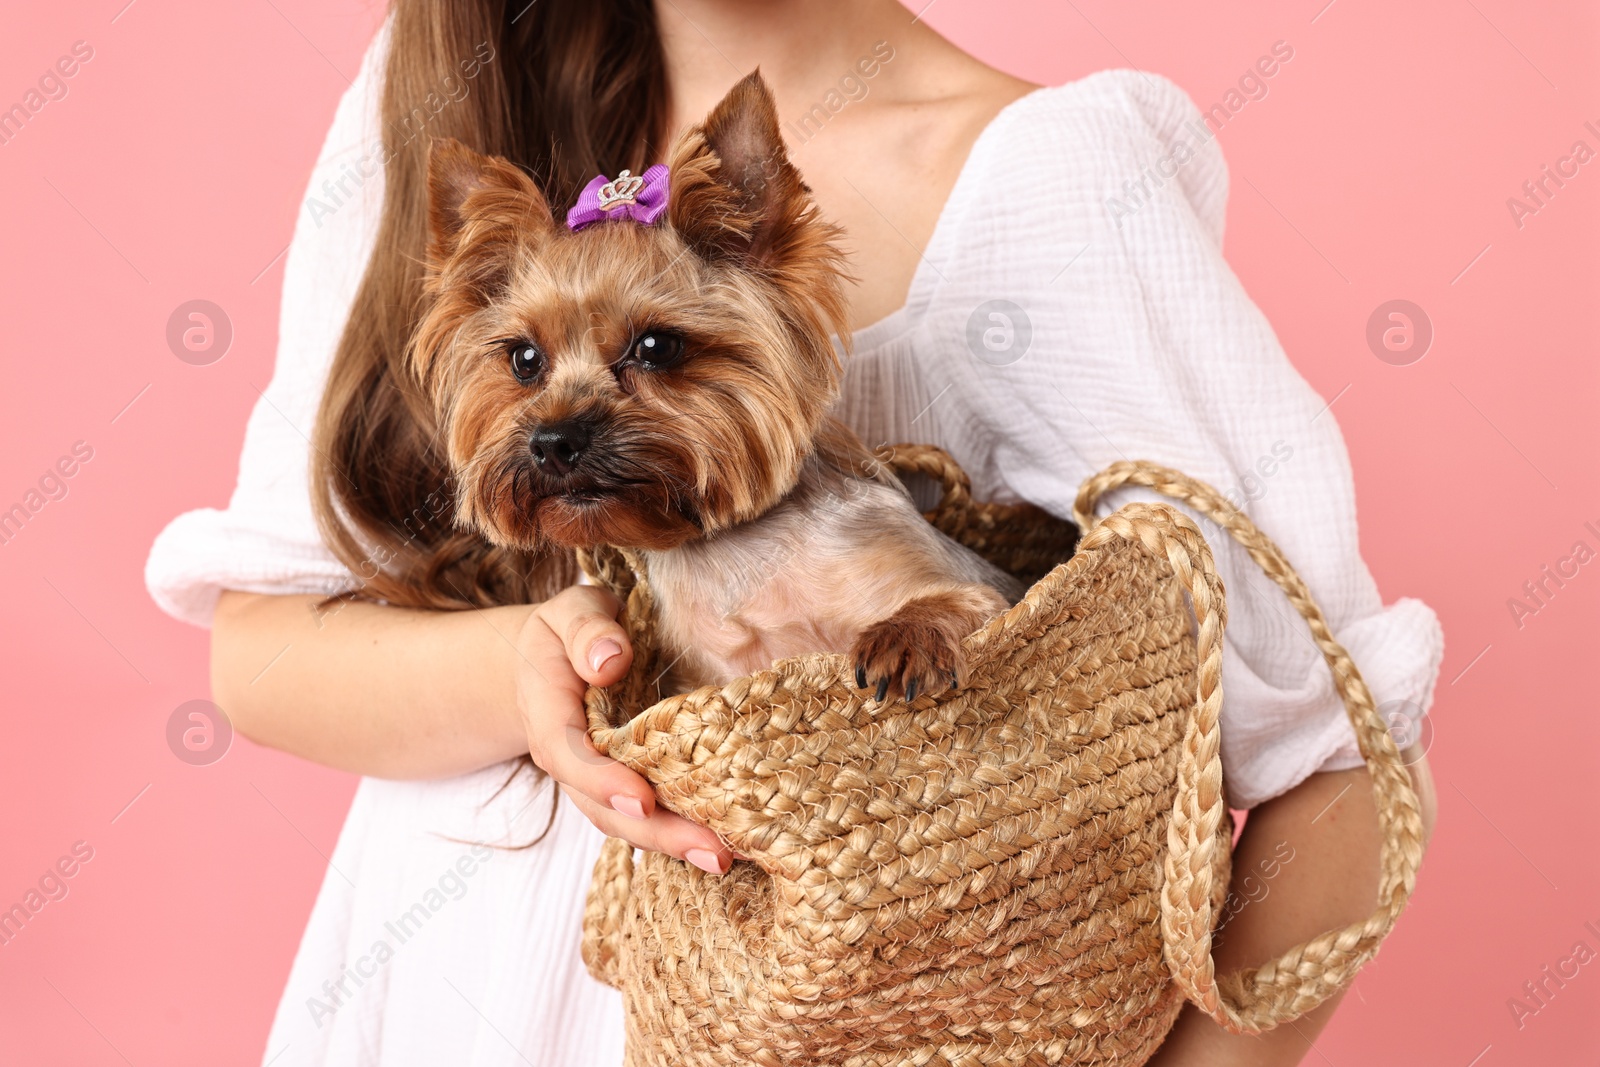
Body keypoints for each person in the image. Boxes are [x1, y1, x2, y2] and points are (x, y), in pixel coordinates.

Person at [145, 1, 1441, 1063]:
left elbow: (1345, 764)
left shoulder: (1050, 179)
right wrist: (524, 668)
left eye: (658, 351)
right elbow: (257, 655)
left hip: (858, 1010)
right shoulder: (439, 87)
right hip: (423, 992)